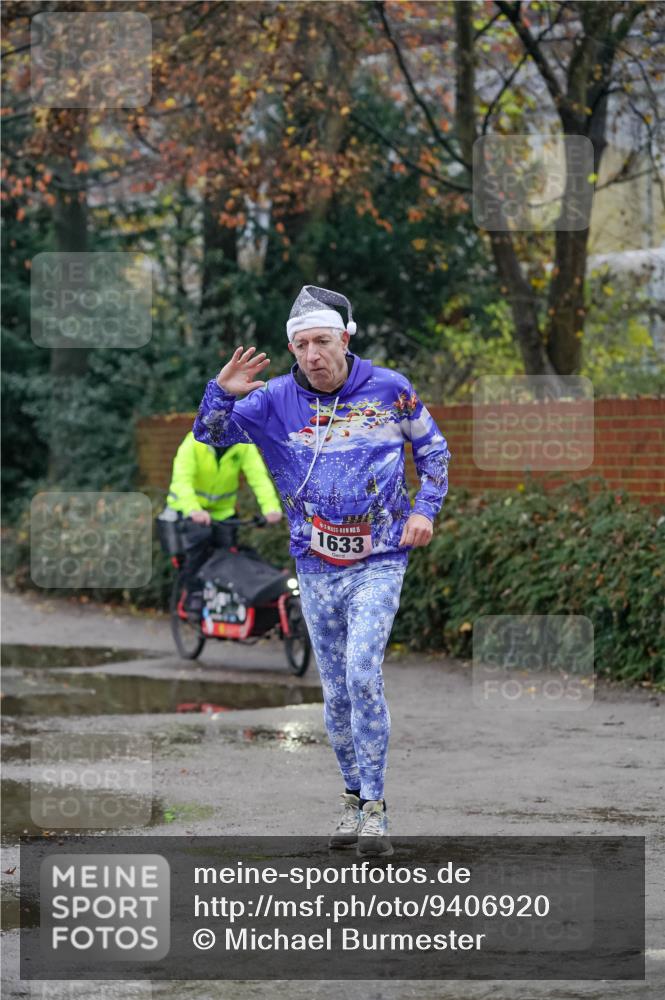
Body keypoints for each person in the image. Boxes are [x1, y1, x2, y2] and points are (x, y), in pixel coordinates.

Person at [192, 285, 451, 856]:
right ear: (292, 348)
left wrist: (425, 512)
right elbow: (206, 440)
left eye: (323, 341)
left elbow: (433, 452)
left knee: (362, 673)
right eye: (302, 344)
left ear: (346, 338)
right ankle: (353, 798)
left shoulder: (390, 389)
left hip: (380, 557)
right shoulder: (272, 401)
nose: (313, 354)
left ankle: (378, 811)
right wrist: (219, 394)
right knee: (334, 692)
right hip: (315, 564)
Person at [164, 431, 282, 616]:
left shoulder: (242, 444)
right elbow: (181, 481)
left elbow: (258, 477)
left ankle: (225, 601)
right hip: (189, 509)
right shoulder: (193, 442)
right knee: (197, 549)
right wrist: (194, 510)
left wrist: (271, 508)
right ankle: (193, 595)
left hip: (222, 513)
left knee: (228, 555)